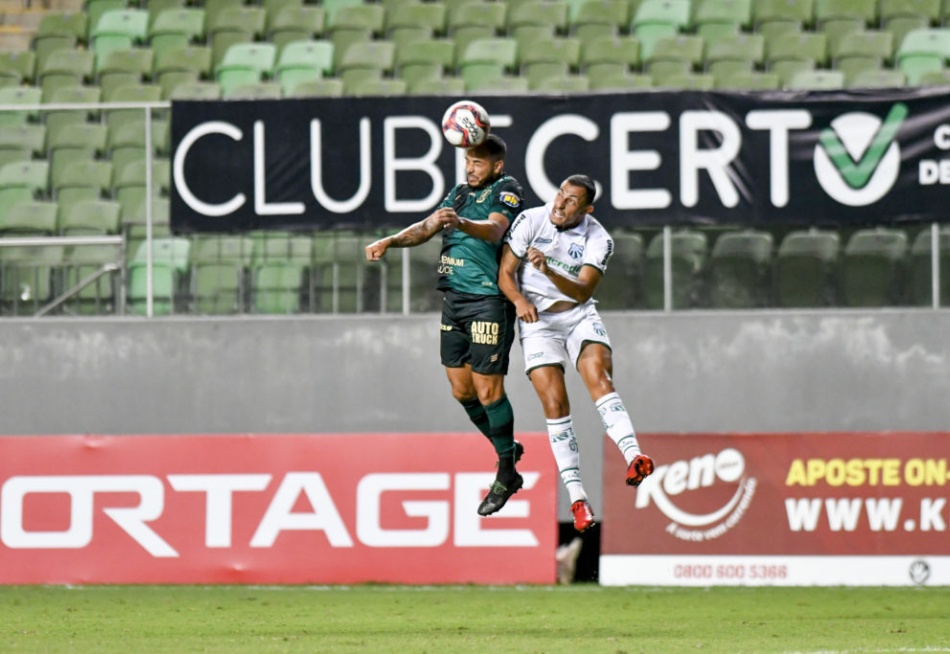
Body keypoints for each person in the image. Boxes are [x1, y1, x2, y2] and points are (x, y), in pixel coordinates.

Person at [365, 134, 526, 517]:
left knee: (489, 392)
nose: (470, 168)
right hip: (453, 299)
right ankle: (507, 449)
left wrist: (463, 222)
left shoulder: (508, 190)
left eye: (478, 162)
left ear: (496, 166)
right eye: (467, 161)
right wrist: (390, 240)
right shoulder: (456, 192)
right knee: (460, 389)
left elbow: (495, 230)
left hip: (488, 300)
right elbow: (427, 227)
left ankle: (506, 473)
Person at [497, 174, 654, 533]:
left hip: (579, 315)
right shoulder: (530, 220)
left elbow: (583, 291)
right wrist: (520, 300)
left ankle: (634, 456)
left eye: (571, 201)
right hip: (537, 323)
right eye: (560, 195)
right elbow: (505, 273)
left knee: (599, 375)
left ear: (587, 209)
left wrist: (547, 268)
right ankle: (578, 497)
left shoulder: (599, 239)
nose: (560, 204)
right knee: (554, 402)